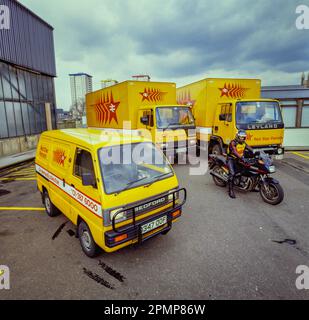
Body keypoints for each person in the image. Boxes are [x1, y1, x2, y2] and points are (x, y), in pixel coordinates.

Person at [227, 129, 253, 199]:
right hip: (231, 159)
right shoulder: (233, 143)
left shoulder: (244, 143)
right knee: (232, 173)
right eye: (241, 137)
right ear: (237, 136)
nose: (242, 138)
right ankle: (230, 190)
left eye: (243, 137)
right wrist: (241, 157)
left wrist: (256, 153)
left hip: (239, 159)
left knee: (247, 168)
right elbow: (234, 152)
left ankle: (251, 185)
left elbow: (250, 148)